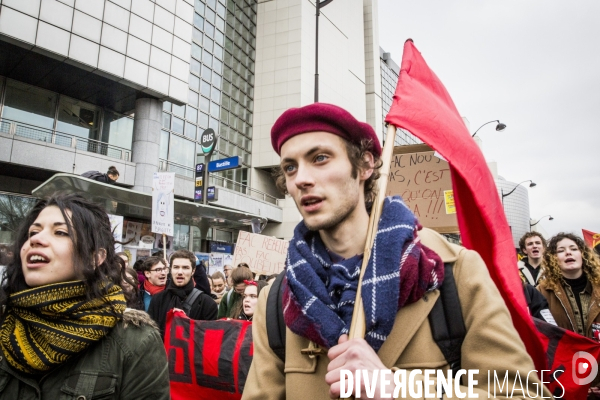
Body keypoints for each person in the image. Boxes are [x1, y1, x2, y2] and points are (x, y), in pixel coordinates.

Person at [242, 103, 549, 399]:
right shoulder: (277, 299)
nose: (302, 179)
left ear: (365, 165)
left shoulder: (455, 272)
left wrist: (398, 391)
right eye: (290, 168)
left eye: (320, 158)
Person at [0, 193, 169, 398]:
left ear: (94, 258)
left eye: (60, 232)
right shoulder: (5, 323)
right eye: (32, 232)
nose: (36, 239)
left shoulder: (135, 342)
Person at [537, 232, 600, 339]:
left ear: (583, 254)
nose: (568, 253)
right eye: (561, 251)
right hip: (563, 354)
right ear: (553, 258)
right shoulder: (543, 291)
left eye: (574, 249)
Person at [148, 250, 218, 337]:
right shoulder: (158, 300)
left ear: (193, 271)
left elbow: (208, 340)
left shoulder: (207, 303)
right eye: (176, 267)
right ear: (170, 270)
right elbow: (151, 335)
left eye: (185, 267)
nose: (180, 272)